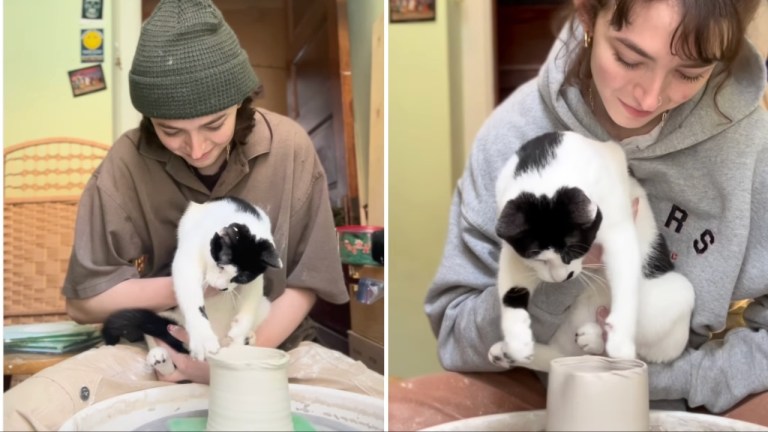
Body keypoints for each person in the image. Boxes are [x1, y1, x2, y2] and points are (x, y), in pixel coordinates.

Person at [389, 0, 768, 430]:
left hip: (689, 394)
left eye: (690, 73)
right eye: (628, 58)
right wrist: (561, 272)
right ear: (588, 17)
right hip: (540, 381)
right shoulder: (513, 137)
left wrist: (687, 378)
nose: (648, 96)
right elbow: (458, 335)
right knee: (399, 415)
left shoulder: (752, 148)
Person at [4, 0, 382, 430]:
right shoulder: (126, 163)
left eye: (214, 125)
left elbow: (306, 282)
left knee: (390, 411)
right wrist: (193, 290)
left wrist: (232, 362)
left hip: (275, 348)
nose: (197, 149)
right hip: (161, 346)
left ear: (241, 104)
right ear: (149, 121)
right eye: (171, 132)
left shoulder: (290, 148)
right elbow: (84, 301)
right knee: (20, 414)